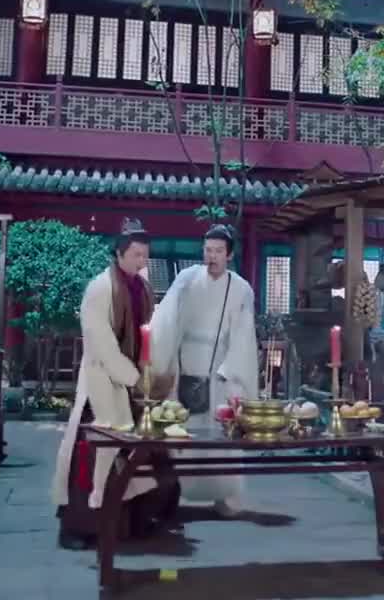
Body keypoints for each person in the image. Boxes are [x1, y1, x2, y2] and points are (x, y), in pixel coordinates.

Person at [51, 218, 177, 550]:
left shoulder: (143, 288)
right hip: (102, 380)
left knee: (139, 451)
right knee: (91, 454)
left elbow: (148, 334)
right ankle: (78, 528)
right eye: (136, 255)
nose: (142, 261)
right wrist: (136, 380)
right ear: (119, 254)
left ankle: (129, 522)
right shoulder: (99, 288)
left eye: (145, 255)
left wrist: (151, 373)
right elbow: (102, 345)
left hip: (133, 379)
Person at [149, 224, 258, 517]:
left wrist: (230, 372)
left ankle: (225, 497)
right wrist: (164, 359)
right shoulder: (186, 279)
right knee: (182, 433)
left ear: (229, 255)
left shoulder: (241, 289)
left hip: (220, 367)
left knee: (221, 434)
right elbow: (166, 319)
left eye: (218, 251)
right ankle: (176, 494)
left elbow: (244, 336)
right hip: (185, 363)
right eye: (208, 250)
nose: (212, 257)